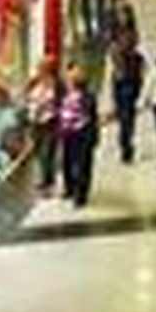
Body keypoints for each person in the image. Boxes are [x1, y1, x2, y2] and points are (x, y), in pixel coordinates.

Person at [57, 62, 99, 208]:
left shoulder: (88, 96)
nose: (70, 78)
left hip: (83, 134)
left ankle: (80, 195)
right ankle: (69, 188)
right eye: (69, 75)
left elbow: (92, 118)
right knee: (67, 162)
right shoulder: (64, 93)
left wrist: (94, 137)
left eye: (75, 75)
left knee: (82, 164)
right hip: (67, 134)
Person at [26, 58, 63, 192]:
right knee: (38, 151)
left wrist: (49, 107)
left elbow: (62, 103)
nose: (40, 70)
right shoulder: (33, 82)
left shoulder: (57, 85)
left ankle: (48, 181)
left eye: (43, 68)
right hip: (35, 122)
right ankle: (46, 177)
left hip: (50, 122)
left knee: (47, 152)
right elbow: (26, 97)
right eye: (39, 67)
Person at [110, 42, 146, 165]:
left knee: (126, 121)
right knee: (128, 121)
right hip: (129, 92)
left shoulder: (133, 59)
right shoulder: (137, 58)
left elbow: (115, 84)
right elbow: (141, 76)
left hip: (126, 92)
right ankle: (126, 145)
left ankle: (126, 145)